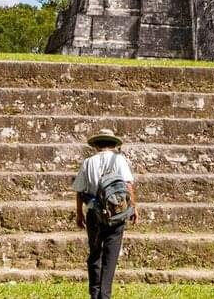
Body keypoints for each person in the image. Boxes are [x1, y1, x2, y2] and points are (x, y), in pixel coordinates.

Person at [73, 128, 139, 299]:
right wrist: (133, 207)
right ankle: (105, 295)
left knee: (95, 253)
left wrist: (79, 213)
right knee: (110, 256)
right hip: (116, 213)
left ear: (96, 145)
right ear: (113, 144)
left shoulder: (88, 162)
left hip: (94, 213)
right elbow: (128, 185)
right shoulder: (119, 159)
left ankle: (94, 293)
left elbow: (80, 190)